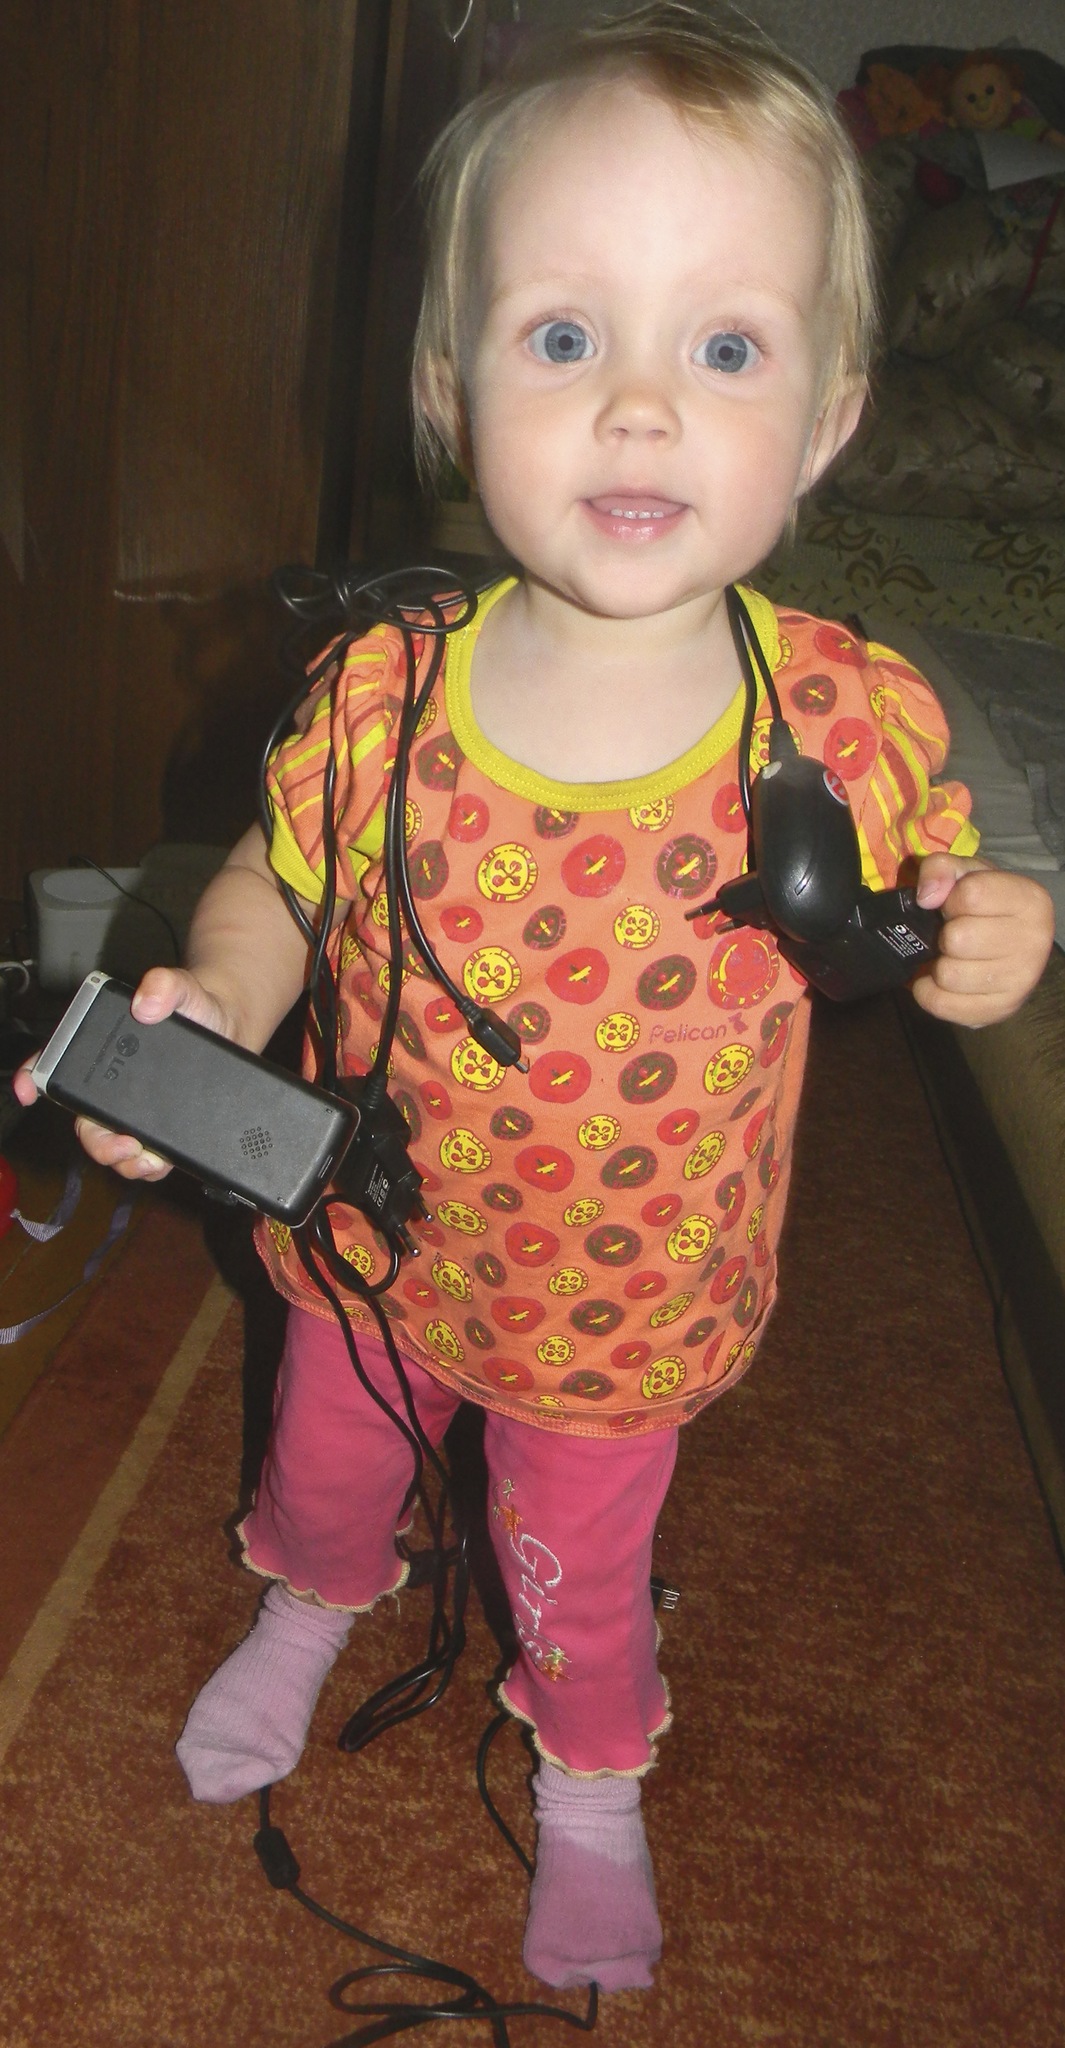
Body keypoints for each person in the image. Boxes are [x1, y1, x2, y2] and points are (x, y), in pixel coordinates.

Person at [16, 1, 1054, 1996]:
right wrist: (216, 999)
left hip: (618, 1286)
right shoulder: (380, 690)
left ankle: (587, 1781)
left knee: (577, 1566)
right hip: (372, 1231)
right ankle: (309, 1604)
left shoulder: (841, 719)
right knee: (326, 1459)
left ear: (829, 415)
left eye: (723, 350)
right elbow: (280, 882)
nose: (638, 411)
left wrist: (984, 935)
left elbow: (936, 902)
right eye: (563, 337)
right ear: (448, 387)